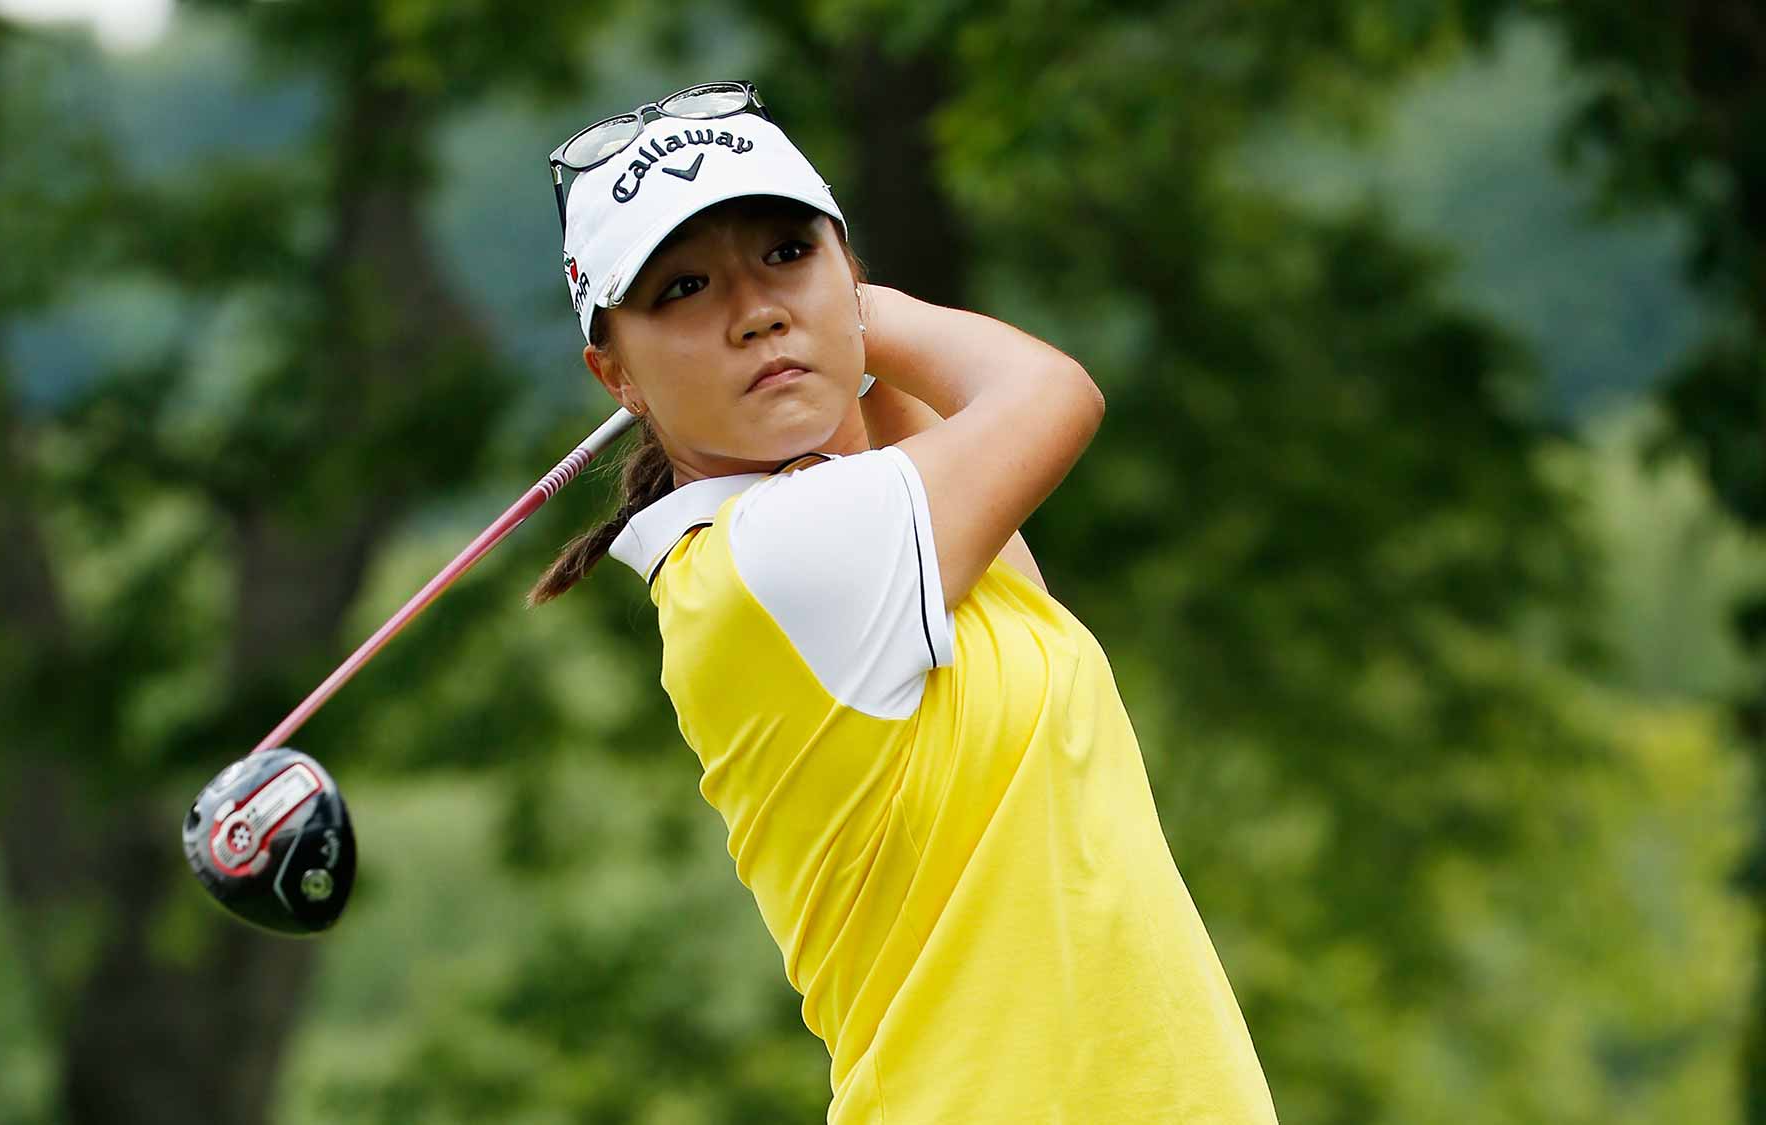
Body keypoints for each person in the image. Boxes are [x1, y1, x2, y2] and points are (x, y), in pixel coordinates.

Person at [532, 81, 1278, 1123]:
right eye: (684, 288)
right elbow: (1051, 393)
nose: (753, 311)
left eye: (786, 251)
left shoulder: (888, 547)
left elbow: (947, 471)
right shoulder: (776, 558)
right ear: (615, 374)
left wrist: (833, 326)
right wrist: (851, 314)